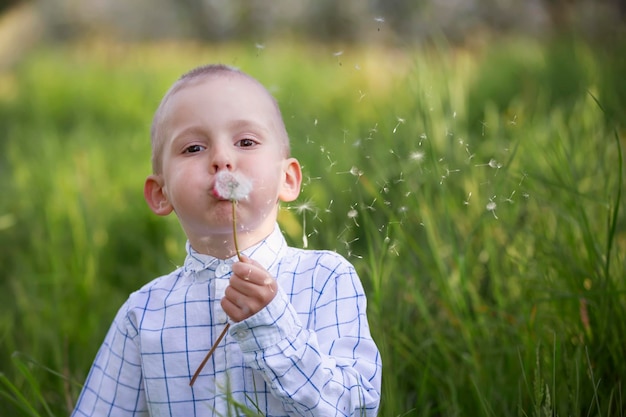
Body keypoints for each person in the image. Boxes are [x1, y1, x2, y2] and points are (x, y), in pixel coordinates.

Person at [71, 64, 382, 417]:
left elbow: (355, 409)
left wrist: (274, 327)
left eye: (246, 142)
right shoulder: (143, 315)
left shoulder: (327, 278)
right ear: (161, 193)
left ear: (288, 179)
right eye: (193, 148)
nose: (221, 159)